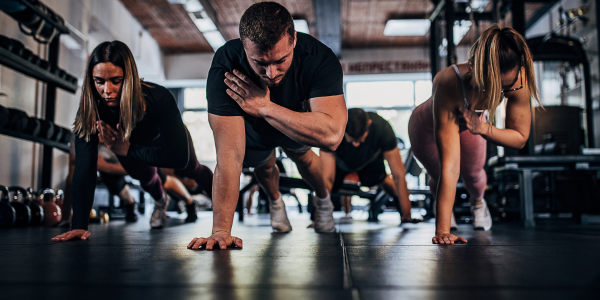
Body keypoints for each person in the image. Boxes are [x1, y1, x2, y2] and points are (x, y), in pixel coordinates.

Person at [187, 2, 347, 250]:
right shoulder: (227, 64)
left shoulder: (318, 59)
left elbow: (332, 135)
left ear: (294, 39)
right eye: (260, 63)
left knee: (303, 158)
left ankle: (324, 201)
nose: (271, 73)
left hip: (295, 119)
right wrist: (220, 230)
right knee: (264, 165)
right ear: (243, 45)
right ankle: (275, 203)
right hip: (253, 126)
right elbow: (229, 156)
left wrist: (264, 106)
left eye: (280, 61)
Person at [52, 40, 214, 242]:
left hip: (165, 141)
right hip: (128, 146)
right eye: (99, 81)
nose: (107, 90)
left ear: (129, 77)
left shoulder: (159, 97)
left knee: (191, 168)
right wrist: (79, 226)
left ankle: (225, 211)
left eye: (116, 80)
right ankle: (160, 200)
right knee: (144, 175)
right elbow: (84, 167)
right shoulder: (91, 109)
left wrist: (128, 149)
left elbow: (178, 158)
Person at [408, 25, 540, 245]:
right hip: (425, 126)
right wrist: (443, 231)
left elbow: (519, 138)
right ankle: (444, 213)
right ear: (474, 67)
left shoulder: (519, 78)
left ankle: (478, 202)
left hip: (470, 122)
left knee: (474, 175)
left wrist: (484, 129)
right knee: (440, 172)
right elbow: (451, 166)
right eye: (493, 86)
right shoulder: (448, 80)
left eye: (503, 87)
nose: (499, 93)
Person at [321, 108, 421, 224]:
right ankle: (317, 215)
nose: (356, 144)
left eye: (360, 139)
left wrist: (407, 215)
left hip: (370, 163)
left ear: (369, 124)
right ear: (342, 127)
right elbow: (326, 177)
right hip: (340, 163)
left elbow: (398, 175)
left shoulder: (382, 128)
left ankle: (404, 213)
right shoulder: (331, 129)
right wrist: (321, 217)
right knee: (321, 184)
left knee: (388, 182)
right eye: (352, 140)